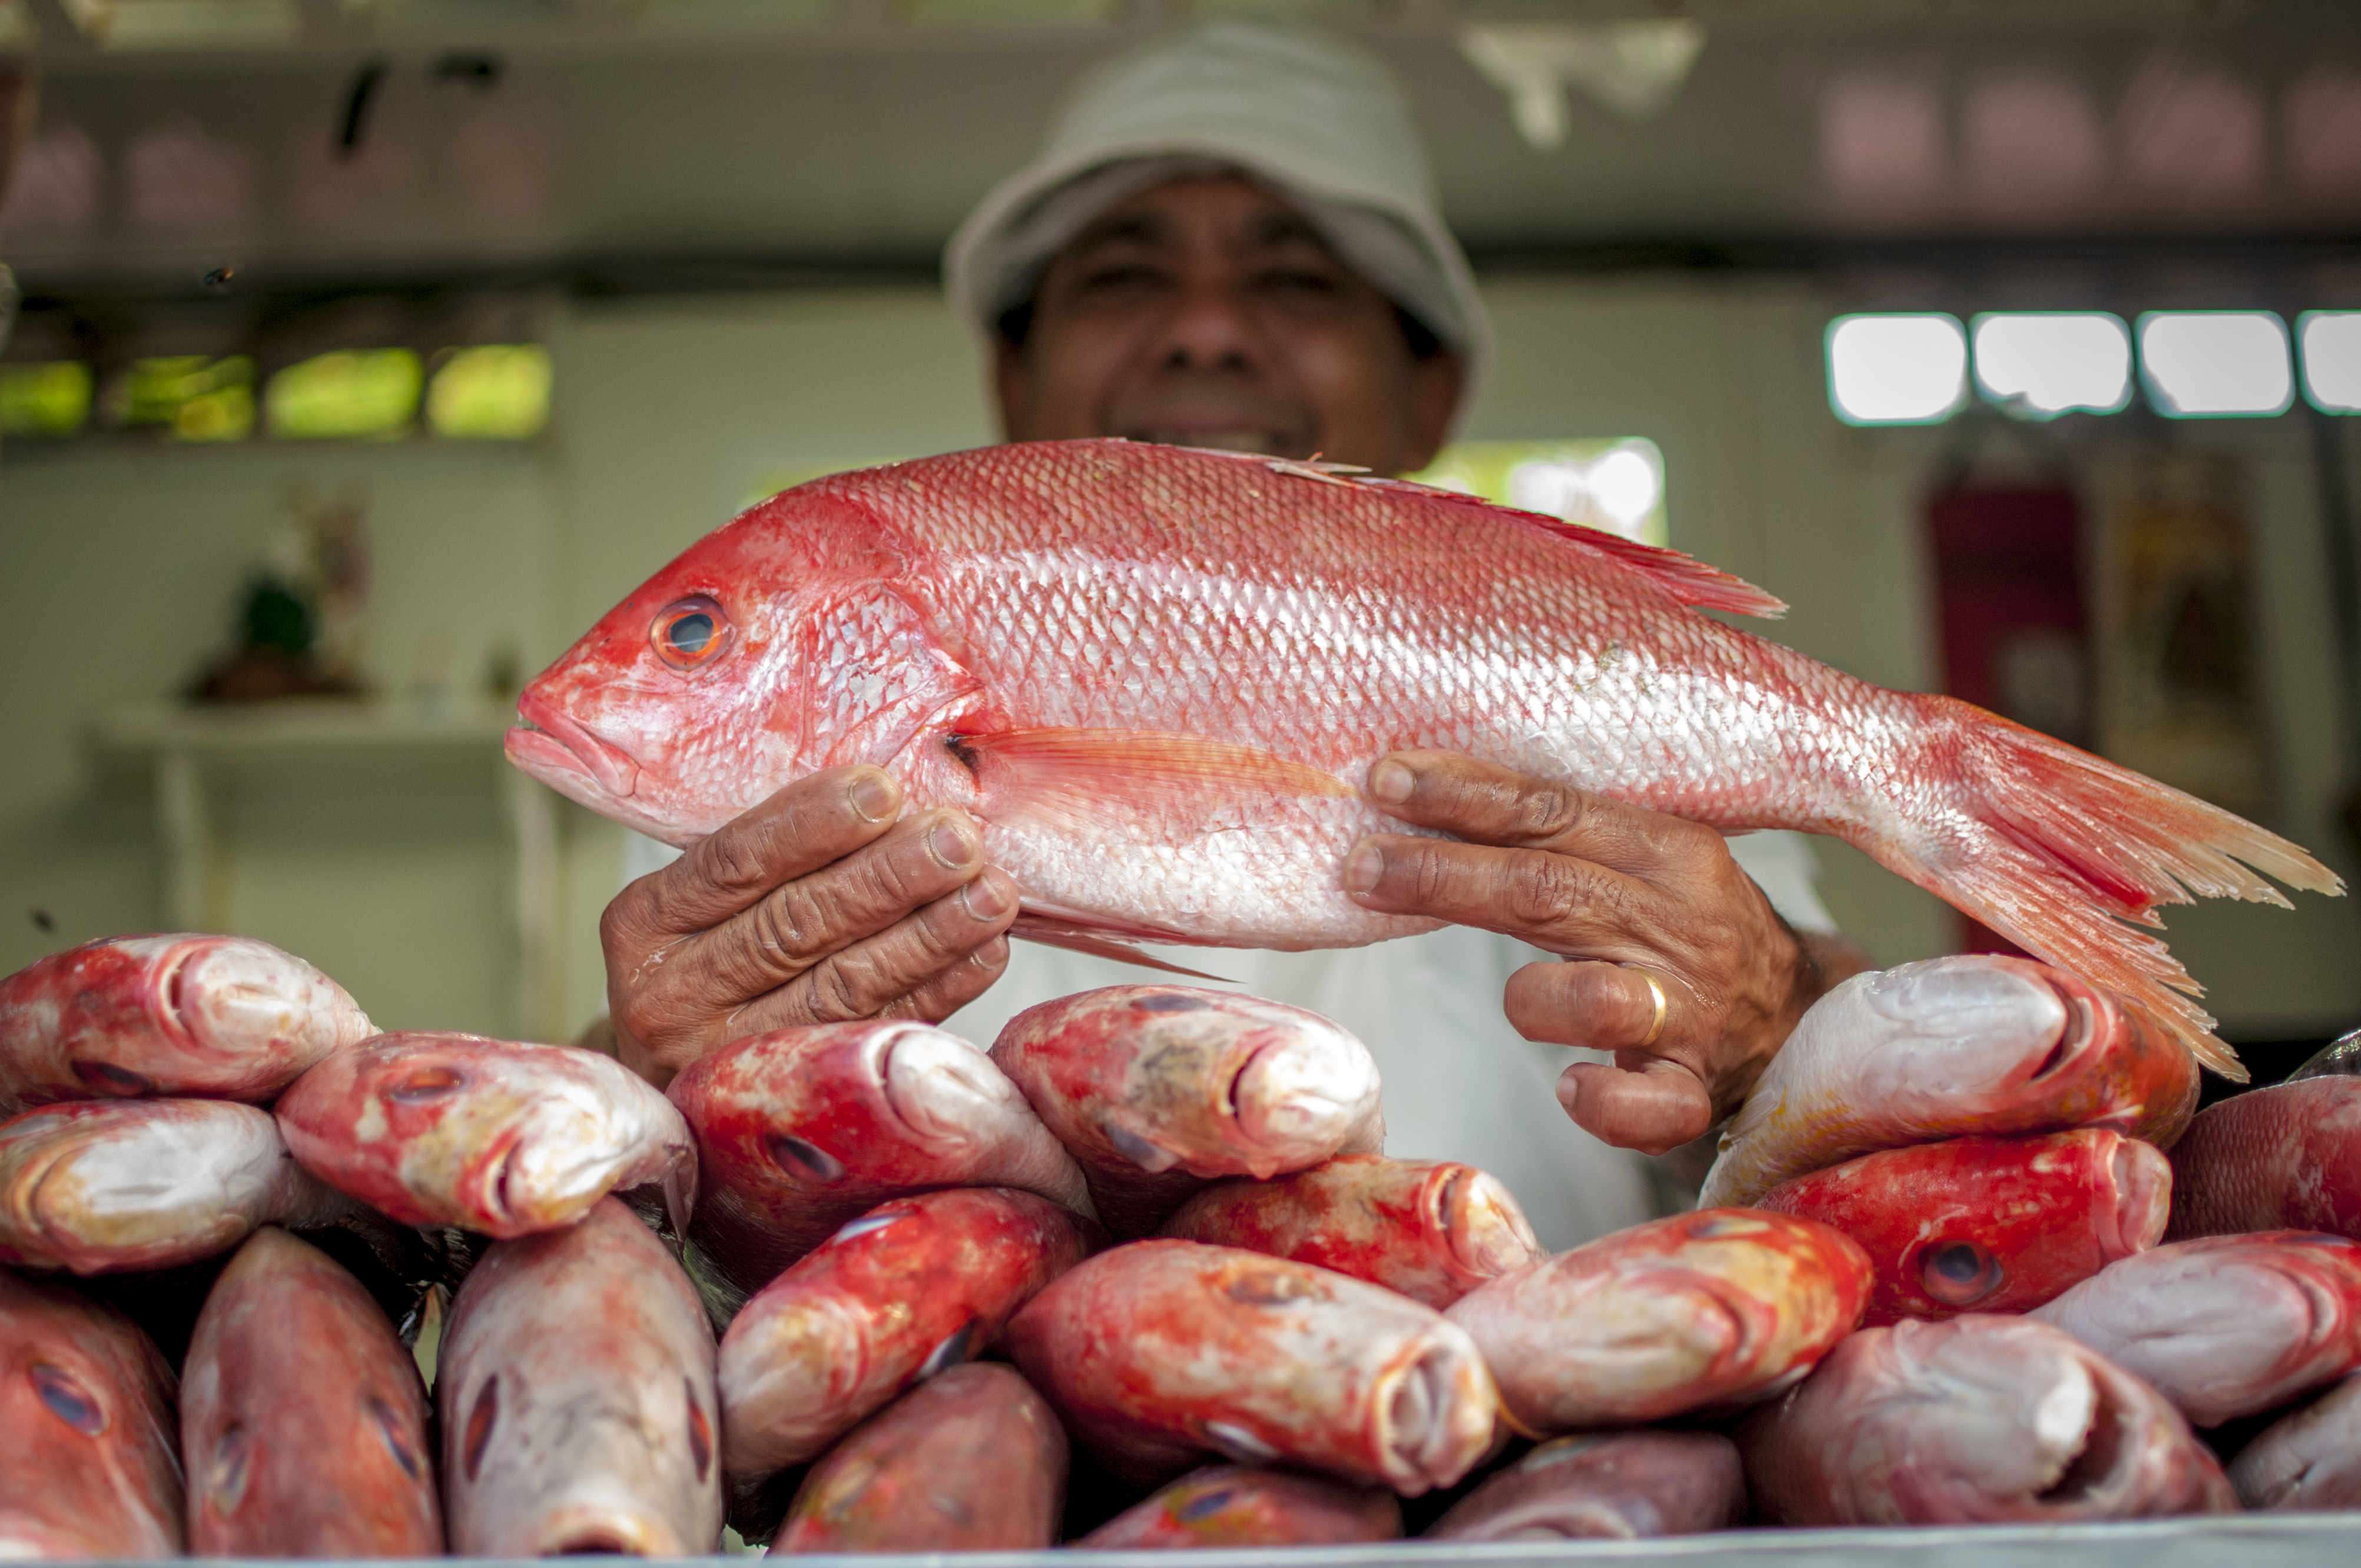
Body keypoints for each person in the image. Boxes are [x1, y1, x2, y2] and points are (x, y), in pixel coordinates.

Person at [596, 24, 1868, 1249]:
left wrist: (1777, 1030)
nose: (1205, 328)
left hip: (1546, 1452)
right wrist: (645, 1097)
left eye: (1295, 278)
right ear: (1007, 378)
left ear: (1430, 391)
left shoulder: (1566, 667)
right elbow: (625, 1207)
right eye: (1124, 274)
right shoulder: (760, 765)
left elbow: (1848, 1078)